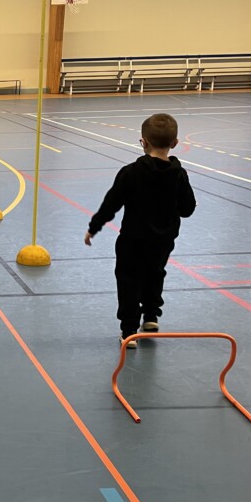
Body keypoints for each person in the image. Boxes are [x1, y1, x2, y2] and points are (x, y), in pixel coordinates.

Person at [84, 113, 196, 348]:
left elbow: (111, 203)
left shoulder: (131, 172)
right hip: (164, 240)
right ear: (175, 143)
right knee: (156, 273)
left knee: (129, 280)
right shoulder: (179, 174)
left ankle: (129, 331)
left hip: (132, 241)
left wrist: (94, 228)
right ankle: (151, 316)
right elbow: (187, 209)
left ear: (143, 142)